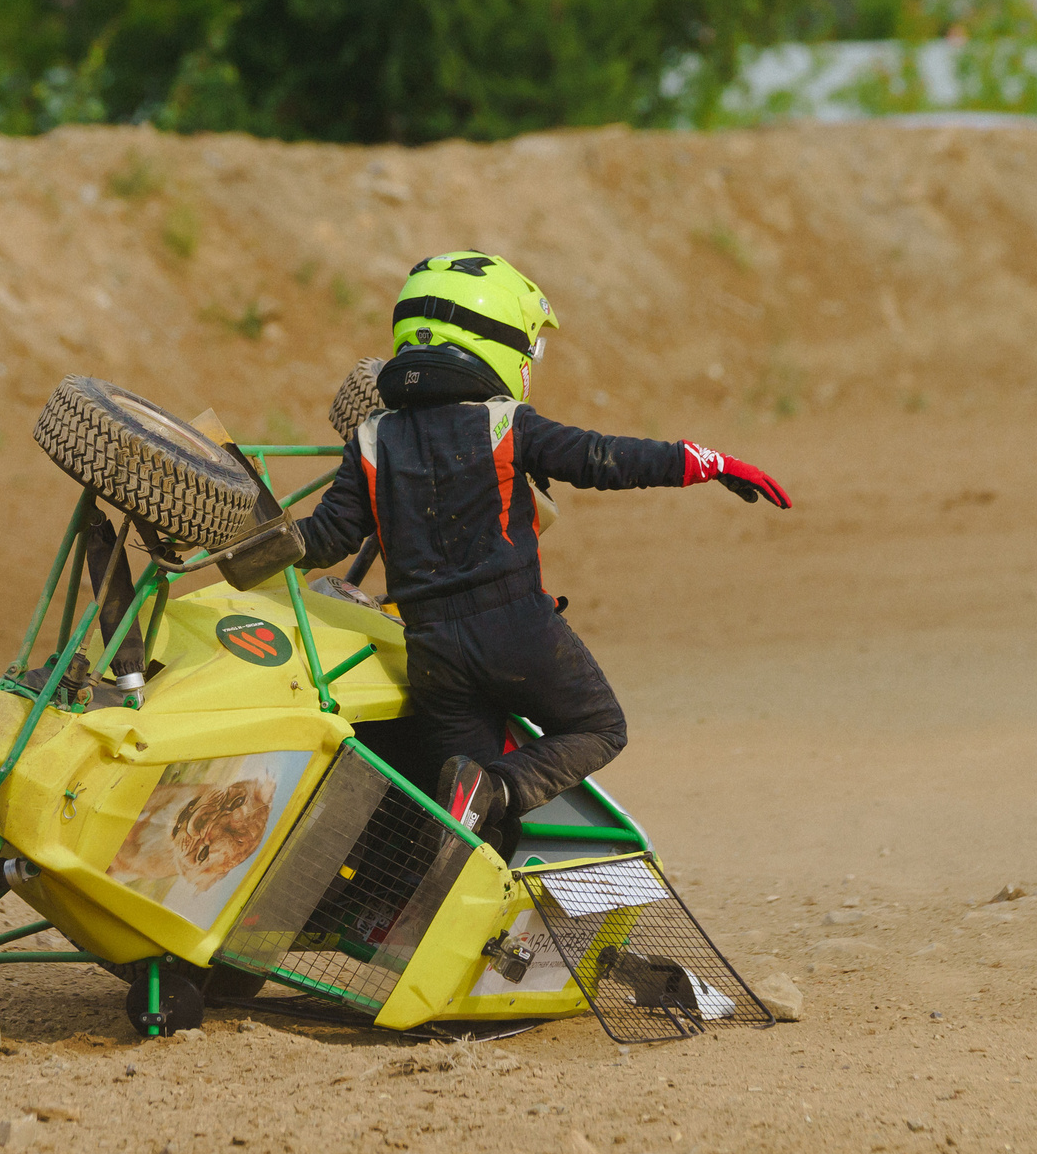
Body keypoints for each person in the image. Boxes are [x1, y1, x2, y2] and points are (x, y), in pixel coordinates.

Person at [294, 251, 790, 857]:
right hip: (516, 629)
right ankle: (496, 788)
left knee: (470, 832)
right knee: (598, 727)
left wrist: (232, 527)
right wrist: (707, 462)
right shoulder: (504, 424)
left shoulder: (373, 438)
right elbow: (603, 459)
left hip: (431, 651)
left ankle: (468, 913)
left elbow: (323, 539)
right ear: (494, 342)